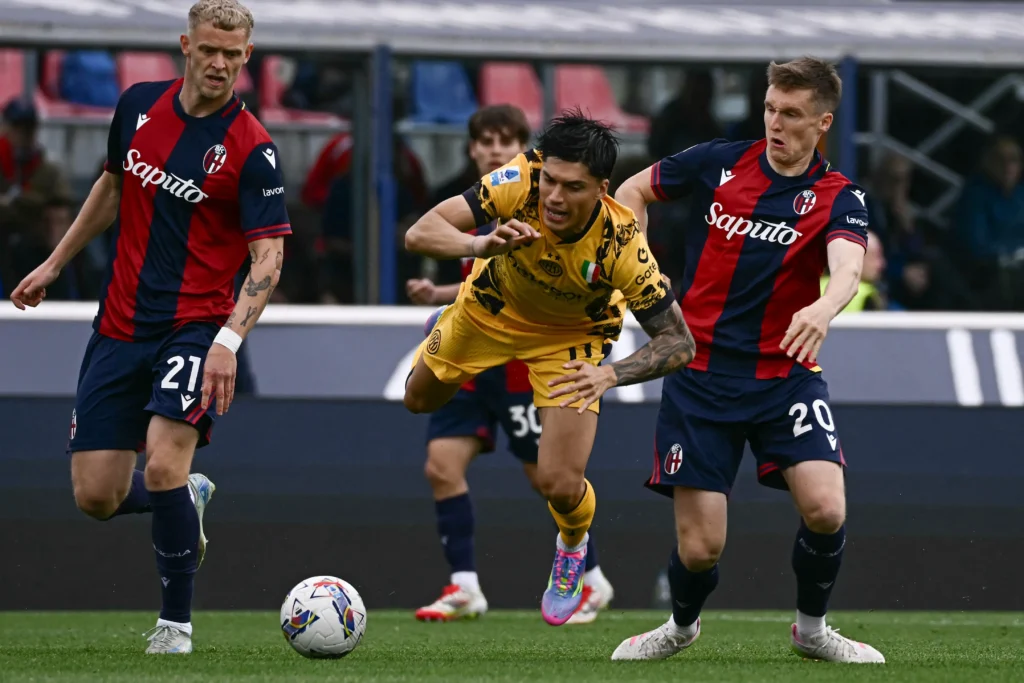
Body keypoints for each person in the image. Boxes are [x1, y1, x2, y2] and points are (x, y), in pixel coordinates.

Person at [9, 0, 290, 654]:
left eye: (233, 55)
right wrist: (54, 263)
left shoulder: (253, 149)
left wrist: (228, 340)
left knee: (162, 463)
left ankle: (175, 626)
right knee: (97, 496)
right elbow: (111, 188)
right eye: (209, 50)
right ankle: (187, 496)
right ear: (185, 46)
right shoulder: (137, 106)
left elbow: (269, 256)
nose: (219, 64)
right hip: (118, 324)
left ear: (247, 58)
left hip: (194, 326)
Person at [611, 57, 885, 663]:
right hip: (698, 374)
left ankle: (812, 631)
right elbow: (630, 191)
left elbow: (848, 268)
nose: (775, 123)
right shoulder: (717, 161)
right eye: (769, 109)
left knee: (826, 508)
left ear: (823, 123)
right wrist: (639, 272)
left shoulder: (840, 197)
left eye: (792, 114)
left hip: (785, 377)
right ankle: (681, 627)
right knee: (701, 549)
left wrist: (825, 307)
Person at [403, 108, 696, 626]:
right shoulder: (520, 179)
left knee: (559, 483)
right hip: (487, 310)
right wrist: (479, 244)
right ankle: (445, 318)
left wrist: (611, 374)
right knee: (417, 399)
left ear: (602, 189)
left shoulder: (623, 245)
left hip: (570, 339)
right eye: (551, 182)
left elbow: (679, 342)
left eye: (573, 187)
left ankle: (572, 547)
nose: (555, 197)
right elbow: (419, 233)